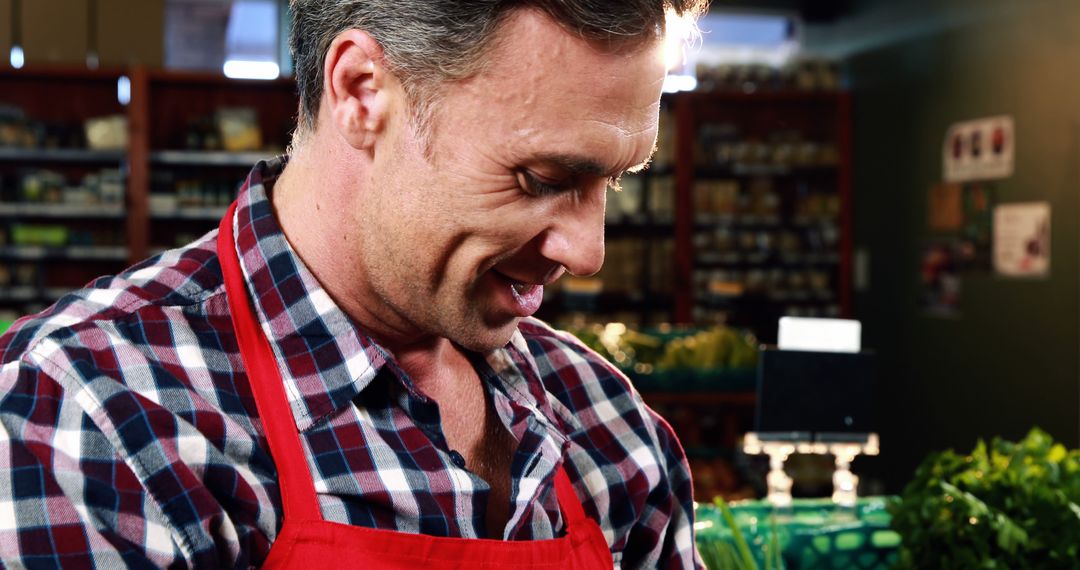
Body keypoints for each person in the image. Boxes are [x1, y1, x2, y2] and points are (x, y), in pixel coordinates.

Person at [0, 0, 707, 567]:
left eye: (610, 180)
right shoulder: (90, 421)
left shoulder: (612, 430)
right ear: (361, 92)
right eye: (544, 179)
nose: (588, 252)